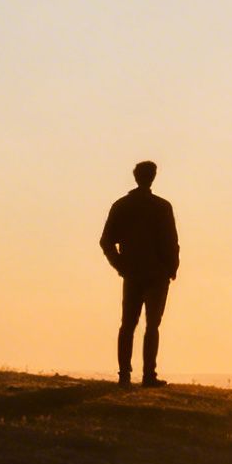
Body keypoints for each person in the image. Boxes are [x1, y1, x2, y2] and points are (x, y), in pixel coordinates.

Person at [99, 160, 179, 386]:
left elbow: (106, 241)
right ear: (151, 176)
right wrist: (171, 267)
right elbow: (172, 242)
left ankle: (127, 375)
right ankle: (145, 375)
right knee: (148, 325)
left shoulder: (124, 205)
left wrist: (121, 265)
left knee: (130, 324)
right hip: (150, 274)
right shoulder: (160, 206)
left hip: (138, 272)